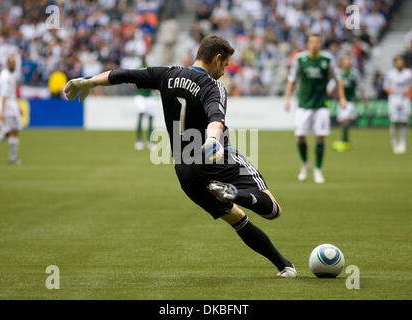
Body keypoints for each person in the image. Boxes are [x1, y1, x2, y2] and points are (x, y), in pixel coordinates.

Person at [64, 34, 297, 278]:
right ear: (217, 59)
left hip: (185, 171)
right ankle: (237, 193)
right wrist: (212, 140)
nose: (225, 71)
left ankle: (284, 266)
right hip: (214, 160)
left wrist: (90, 81)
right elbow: (216, 118)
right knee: (272, 209)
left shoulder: (169, 74)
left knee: (236, 218)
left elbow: (124, 74)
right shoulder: (212, 85)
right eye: (226, 65)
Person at [284, 34, 347, 184]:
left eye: (317, 42)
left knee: (320, 137)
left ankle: (318, 169)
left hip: (321, 106)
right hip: (304, 105)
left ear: (320, 44)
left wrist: (342, 97)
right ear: (307, 44)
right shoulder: (300, 59)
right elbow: (292, 80)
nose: (314, 45)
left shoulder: (327, 60)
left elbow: (338, 78)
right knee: (300, 136)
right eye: (311, 42)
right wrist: (287, 98)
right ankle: (305, 164)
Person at [328, 55, 368, 152]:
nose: (347, 63)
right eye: (345, 61)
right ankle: (345, 140)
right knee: (342, 121)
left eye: (348, 61)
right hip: (341, 102)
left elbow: (361, 87)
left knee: (345, 120)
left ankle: (344, 142)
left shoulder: (355, 74)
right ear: (341, 63)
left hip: (351, 101)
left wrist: (364, 99)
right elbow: (329, 88)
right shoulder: (338, 74)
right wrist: (334, 94)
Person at [383, 55, 412, 154]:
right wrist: (389, 90)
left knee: (404, 121)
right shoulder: (390, 74)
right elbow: (385, 86)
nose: (399, 63)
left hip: (405, 99)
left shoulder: (408, 73)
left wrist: (409, 91)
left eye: (401, 61)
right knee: (394, 121)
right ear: (395, 63)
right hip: (394, 99)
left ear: (403, 62)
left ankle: (403, 142)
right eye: (397, 61)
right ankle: (394, 142)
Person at [0, 55, 22, 164]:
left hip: (11, 107)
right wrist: (2, 111)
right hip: (7, 108)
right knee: (9, 131)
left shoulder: (9, 75)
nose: (14, 65)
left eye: (15, 63)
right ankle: (12, 157)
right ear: (8, 64)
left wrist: (17, 107)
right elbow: (4, 95)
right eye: (12, 63)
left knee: (12, 131)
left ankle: (13, 157)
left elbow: (11, 94)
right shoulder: (5, 77)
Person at [134, 56, 157, 150]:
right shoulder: (139, 69)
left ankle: (149, 141)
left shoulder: (149, 69)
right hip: (140, 96)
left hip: (149, 97)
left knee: (151, 118)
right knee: (141, 116)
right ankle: (139, 140)